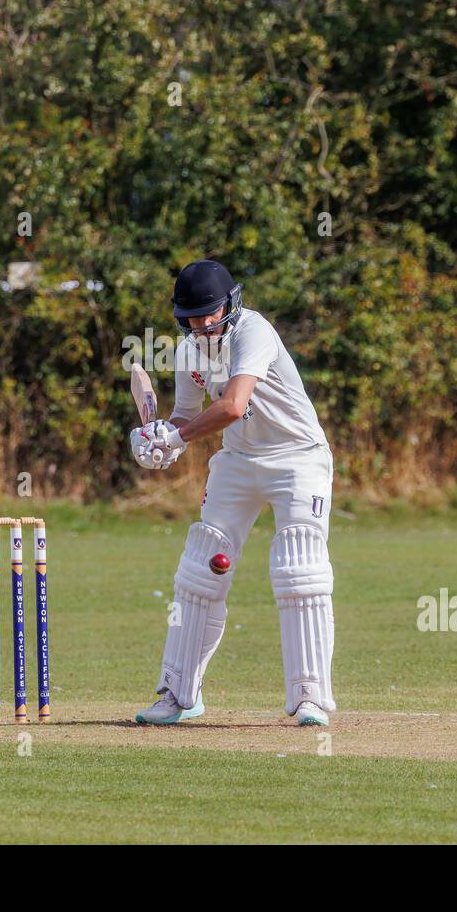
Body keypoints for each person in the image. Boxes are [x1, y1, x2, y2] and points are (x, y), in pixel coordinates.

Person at [129, 260, 336, 727]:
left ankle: (309, 697)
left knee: (298, 569)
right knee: (201, 571)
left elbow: (232, 405)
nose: (203, 324)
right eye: (193, 316)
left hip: (298, 457)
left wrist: (177, 439)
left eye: (210, 313)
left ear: (230, 303)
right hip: (238, 461)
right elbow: (186, 415)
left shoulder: (253, 331)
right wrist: (158, 438)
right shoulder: (188, 351)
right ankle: (178, 693)